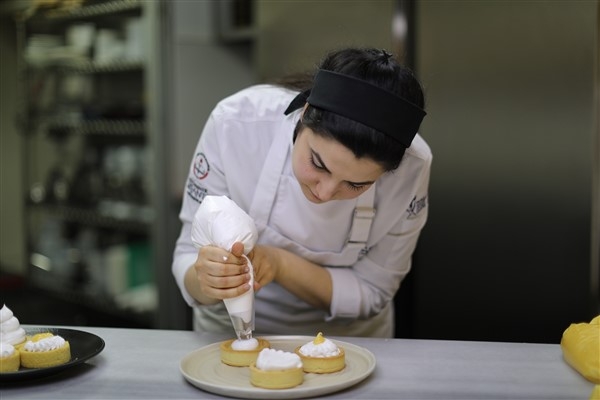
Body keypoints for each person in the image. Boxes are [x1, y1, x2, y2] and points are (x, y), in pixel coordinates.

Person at [172, 47, 431, 338]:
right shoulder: (235, 124)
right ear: (304, 113)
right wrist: (208, 280)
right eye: (318, 163)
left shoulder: (413, 166)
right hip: (231, 336)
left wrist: (279, 263)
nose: (325, 192)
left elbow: (372, 292)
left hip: (350, 344)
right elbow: (186, 256)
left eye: (357, 185)